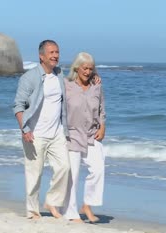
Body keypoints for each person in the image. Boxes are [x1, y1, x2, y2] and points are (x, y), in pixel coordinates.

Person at [13, 40, 71, 220]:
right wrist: (25, 129)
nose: (55, 56)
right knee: (34, 174)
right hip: (35, 134)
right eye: (52, 52)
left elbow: (77, 83)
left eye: (57, 52)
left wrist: (94, 78)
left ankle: (52, 202)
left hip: (57, 133)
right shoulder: (29, 78)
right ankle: (32, 211)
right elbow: (18, 106)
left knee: (64, 168)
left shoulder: (60, 74)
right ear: (41, 56)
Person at [61, 52, 106, 223]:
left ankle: (87, 204)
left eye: (90, 69)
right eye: (84, 68)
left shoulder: (97, 86)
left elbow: (102, 108)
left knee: (98, 169)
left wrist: (103, 126)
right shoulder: (66, 85)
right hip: (72, 134)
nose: (87, 72)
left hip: (92, 133)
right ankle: (71, 213)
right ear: (76, 68)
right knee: (73, 174)